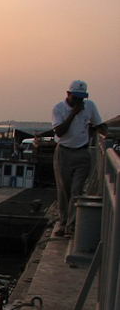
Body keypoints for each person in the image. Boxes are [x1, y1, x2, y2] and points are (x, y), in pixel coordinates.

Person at [52, 80, 107, 237]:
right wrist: (73, 113)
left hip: (82, 153)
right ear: (68, 95)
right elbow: (59, 132)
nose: (80, 101)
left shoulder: (89, 106)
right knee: (64, 190)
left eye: (82, 98)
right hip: (63, 152)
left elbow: (98, 125)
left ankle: (71, 225)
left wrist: (107, 136)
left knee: (77, 189)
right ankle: (63, 223)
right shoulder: (59, 108)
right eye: (76, 97)